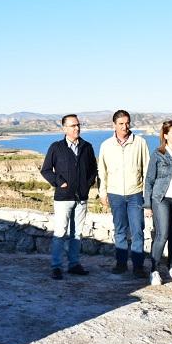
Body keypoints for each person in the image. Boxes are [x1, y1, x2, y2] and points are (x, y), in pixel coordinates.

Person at [41, 114, 98, 280]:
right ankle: (56, 267)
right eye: (73, 126)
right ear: (64, 128)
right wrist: (59, 182)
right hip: (63, 198)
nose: (77, 128)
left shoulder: (87, 147)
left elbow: (93, 169)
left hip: (81, 197)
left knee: (77, 233)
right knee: (60, 232)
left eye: (78, 125)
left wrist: (87, 184)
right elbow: (46, 170)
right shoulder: (56, 147)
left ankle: (74, 264)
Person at [98, 110, 150, 278]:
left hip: (136, 194)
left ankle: (138, 267)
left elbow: (147, 169)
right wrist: (103, 192)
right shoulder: (106, 145)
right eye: (121, 123)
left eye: (127, 123)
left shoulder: (140, 142)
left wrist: (146, 195)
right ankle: (120, 264)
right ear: (114, 125)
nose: (124, 126)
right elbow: (102, 172)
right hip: (115, 194)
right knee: (120, 230)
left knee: (137, 231)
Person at [143, 120, 172, 286]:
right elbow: (149, 180)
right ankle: (154, 270)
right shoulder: (157, 154)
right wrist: (147, 205)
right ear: (165, 135)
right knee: (162, 234)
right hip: (160, 199)